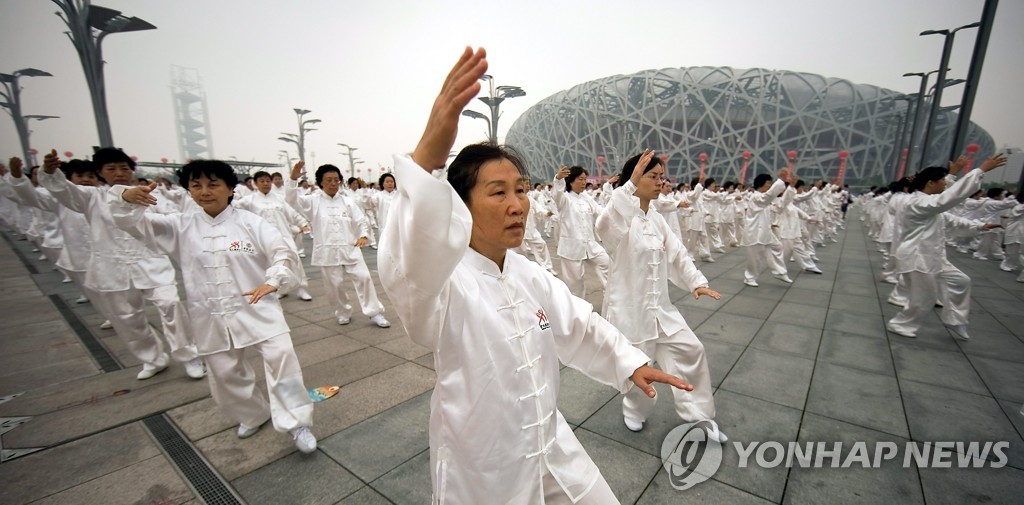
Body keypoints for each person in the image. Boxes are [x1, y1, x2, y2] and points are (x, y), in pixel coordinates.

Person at [379, 47, 692, 505]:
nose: (517, 204)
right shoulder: (446, 284)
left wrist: (630, 361)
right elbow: (406, 267)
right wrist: (427, 153)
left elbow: (579, 324)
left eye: (521, 190)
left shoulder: (527, 272)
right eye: (498, 192)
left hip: (551, 443)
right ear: (462, 204)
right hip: (484, 465)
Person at [112, 160, 317, 453]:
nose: (204, 192)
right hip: (210, 316)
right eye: (196, 185)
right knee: (225, 374)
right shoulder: (180, 225)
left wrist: (274, 280)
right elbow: (133, 223)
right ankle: (252, 414)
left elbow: (281, 252)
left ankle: (297, 423)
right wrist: (124, 197)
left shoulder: (251, 223)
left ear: (230, 189)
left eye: (213, 184)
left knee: (282, 359)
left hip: (258, 308)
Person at [595, 149, 727, 442]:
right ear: (635, 179)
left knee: (692, 351)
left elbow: (677, 253)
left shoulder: (655, 218)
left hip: (661, 311)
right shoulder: (618, 216)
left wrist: (696, 282)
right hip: (631, 313)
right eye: (652, 176)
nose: (659, 182)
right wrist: (627, 186)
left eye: (661, 177)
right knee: (639, 373)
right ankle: (634, 411)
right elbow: (605, 227)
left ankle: (699, 417)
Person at [39, 148, 205, 380]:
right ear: (100, 173)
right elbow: (63, 191)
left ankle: (189, 355)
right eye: (112, 169)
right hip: (112, 267)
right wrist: (50, 172)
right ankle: (152, 358)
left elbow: (175, 221)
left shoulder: (151, 194)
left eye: (124, 168)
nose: (119, 173)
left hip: (151, 262)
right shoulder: (92, 197)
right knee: (127, 318)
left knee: (170, 304)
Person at [886, 155, 1007, 340]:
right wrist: (979, 171)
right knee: (925, 297)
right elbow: (946, 199)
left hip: (932, 256)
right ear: (931, 183)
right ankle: (900, 324)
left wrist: (979, 226)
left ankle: (955, 319)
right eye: (942, 180)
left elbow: (950, 217)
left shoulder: (928, 205)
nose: (945, 183)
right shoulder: (917, 203)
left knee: (961, 281)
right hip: (917, 256)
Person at [285, 162, 390, 328]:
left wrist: (363, 235)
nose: (333, 183)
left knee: (364, 278)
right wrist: (292, 180)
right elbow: (292, 201)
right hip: (327, 250)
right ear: (320, 182)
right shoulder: (313, 201)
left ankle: (374, 312)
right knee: (334, 285)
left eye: (336, 180)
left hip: (350, 248)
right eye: (328, 180)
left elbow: (360, 220)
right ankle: (342, 311)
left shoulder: (347, 202)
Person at [235, 170, 314, 301]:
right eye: (262, 181)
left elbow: (292, 213)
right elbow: (234, 211)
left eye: (267, 181)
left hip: (284, 237)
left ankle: (302, 288)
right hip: (261, 240)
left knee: (295, 262)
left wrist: (302, 223)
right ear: (255, 184)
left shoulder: (279, 199)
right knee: (270, 265)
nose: (266, 184)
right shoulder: (249, 201)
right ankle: (281, 289)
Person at [551, 165, 610, 298]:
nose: (584, 182)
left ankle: (611, 296)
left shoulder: (586, 198)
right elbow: (557, 194)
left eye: (585, 179)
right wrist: (558, 179)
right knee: (575, 284)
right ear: (571, 180)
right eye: (580, 179)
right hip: (571, 247)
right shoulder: (565, 199)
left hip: (590, 244)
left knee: (607, 263)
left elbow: (601, 213)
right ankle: (578, 313)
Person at [741, 171, 793, 287]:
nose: (769, 186)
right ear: (761, 184)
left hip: (765, 231)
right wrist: (780, 181)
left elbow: (778, 208)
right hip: (754, 233)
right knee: (754, 258)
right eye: (768, 183)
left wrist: (789, 188)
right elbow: (766, 197)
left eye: (770, 183)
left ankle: (780, 272)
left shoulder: (766, 199)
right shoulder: (755, 197)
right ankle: (749, 278)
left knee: (778, 247)